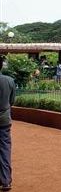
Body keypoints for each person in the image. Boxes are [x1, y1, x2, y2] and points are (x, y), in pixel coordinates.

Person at [0, 57, 15, 191]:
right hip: (4, 119)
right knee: (4, 149)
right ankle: (5, 181)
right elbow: (12, 101)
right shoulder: (9, 80)